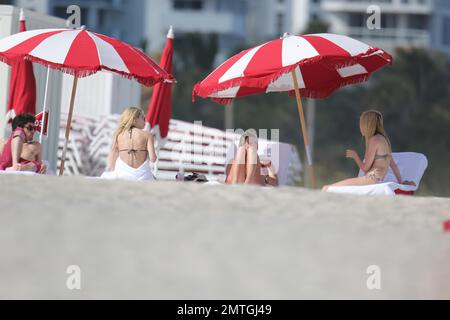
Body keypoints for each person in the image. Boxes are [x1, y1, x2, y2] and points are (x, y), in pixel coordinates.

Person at [322, 110, 415, 191]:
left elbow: (365, 168)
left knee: (328, 188)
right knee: (330, 188)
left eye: (361, 124)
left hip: (370, 179)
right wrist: (401, 182)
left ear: (367, 125)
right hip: (376, 180)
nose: (360, 127)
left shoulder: (374, 140)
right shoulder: (384, 140)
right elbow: (393, 166)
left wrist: (355, 156)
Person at [102, 107, 157, 181]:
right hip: (142, 177)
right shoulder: (147, 135)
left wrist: (113, 172)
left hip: (122, 174)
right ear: (134, 119)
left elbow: (113, 156)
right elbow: (153, 159)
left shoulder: (118, 134)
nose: (145, 121)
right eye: (143, 118)